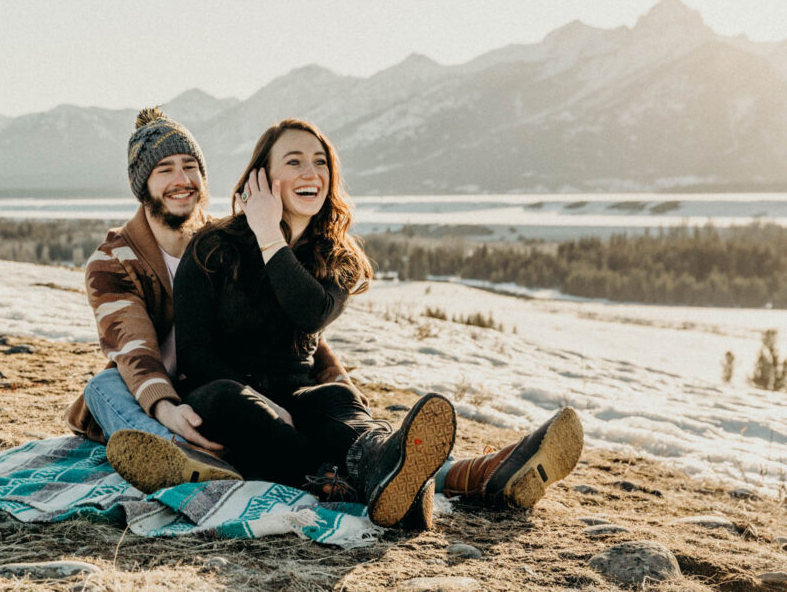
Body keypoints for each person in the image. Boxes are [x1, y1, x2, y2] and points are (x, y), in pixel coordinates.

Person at [106, 118, 585, 529]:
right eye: (292, 161)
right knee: (237, 403)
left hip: (300, 395)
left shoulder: (337, 256)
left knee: (338, 401)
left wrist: (271, 237)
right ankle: (368, 482)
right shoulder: (213, 249)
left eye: (320, 161)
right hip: (225, 393)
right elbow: (196, 356)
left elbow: (310, 313)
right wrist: (267, 406)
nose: (310, 171)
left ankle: (387, 470)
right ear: (261, 178)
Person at [64, 108, 363, 486]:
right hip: (159, 386)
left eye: (190, 166)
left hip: (227, 384)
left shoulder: (225, 242)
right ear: (143, 186)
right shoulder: (115, 260)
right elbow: (132, 347)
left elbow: (294, 332)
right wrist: (166, 407)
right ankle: (170, 449)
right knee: (101, 388)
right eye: (165, 170)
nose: (182, 180)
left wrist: (340, 385)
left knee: (325, 407)